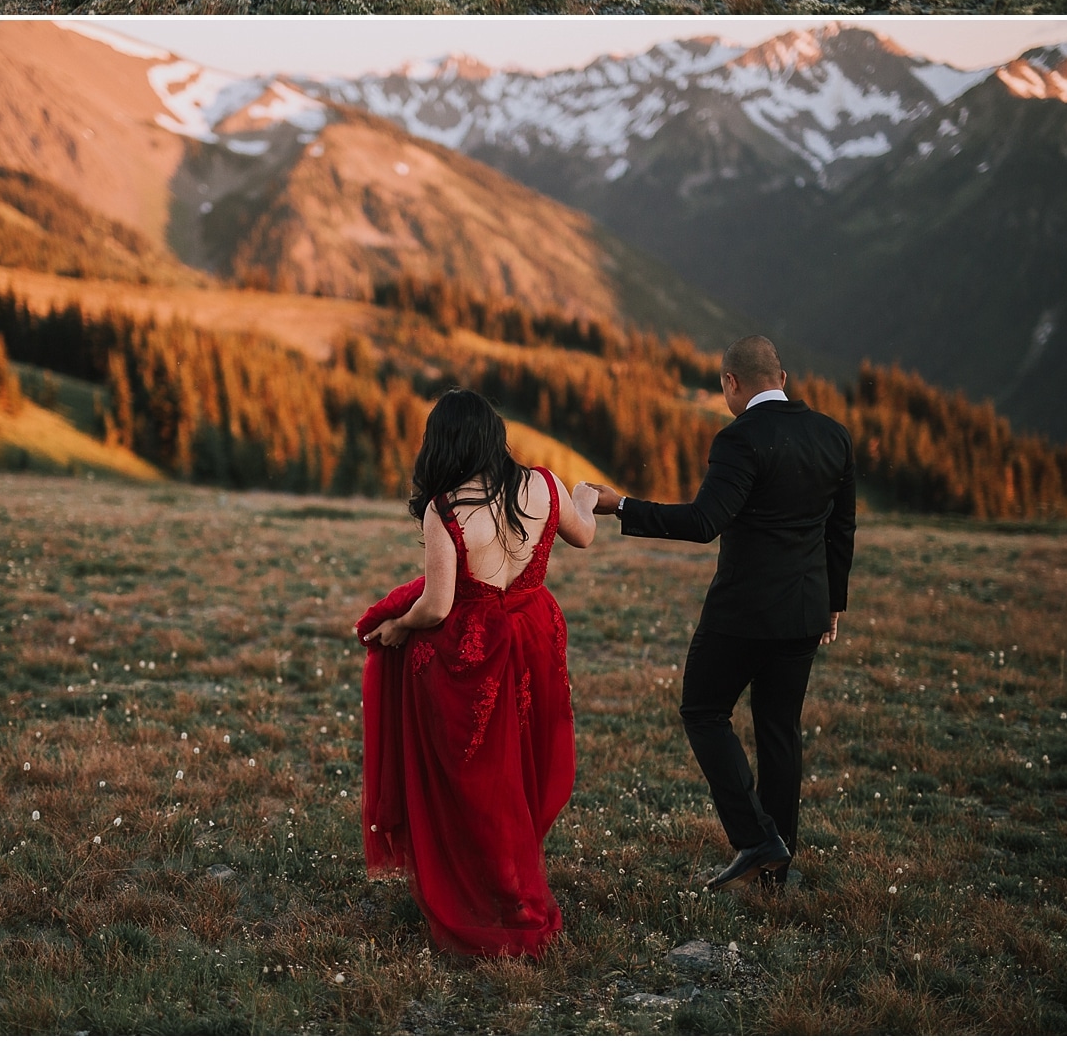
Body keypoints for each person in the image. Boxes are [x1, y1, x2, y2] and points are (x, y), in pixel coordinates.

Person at [587, 336, 854, 892]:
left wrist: (622, 506)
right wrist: (832, 601)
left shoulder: (739, 440)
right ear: (781, 376)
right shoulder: (833, 435)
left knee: (703, 710)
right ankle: (775, 870)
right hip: (804, 610)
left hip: (743, 611)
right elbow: (840, 527)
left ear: (731, 383)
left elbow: (705, 521)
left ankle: (756, 840)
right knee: (780, 729)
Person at [356, 389, 599, 956]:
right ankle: (512, 877)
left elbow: (438, 607)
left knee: (473, 773)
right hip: (535, 634)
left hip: (476, 649)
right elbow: (583, 533)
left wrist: (397, 628)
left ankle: (487, 887)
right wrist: (583, 497)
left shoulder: (449, 509)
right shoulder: (541, 484)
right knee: (522, 760)